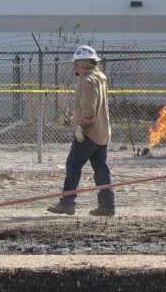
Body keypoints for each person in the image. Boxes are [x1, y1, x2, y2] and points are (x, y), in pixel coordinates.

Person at [47, 44, 115, 216]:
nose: (74, 67)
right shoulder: (100, 78)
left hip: (89, 133)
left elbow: (89, 109)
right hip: (102, 132)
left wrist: (81, 127)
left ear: (83, 63)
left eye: (76, 63)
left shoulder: (87, 81)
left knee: (73, 164)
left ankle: (67, 203)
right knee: (101, 169)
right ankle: (107, 206)